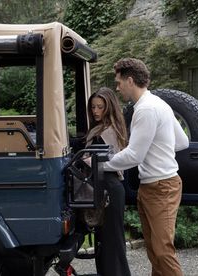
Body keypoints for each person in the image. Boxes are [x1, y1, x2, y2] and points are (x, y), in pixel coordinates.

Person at [104, 58, 189, 276]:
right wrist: (158, 146)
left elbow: (134, 155)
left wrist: (101, 165)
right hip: (155, 186)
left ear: (130, 80)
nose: (118, 87)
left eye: (119, 82)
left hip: (161, 187)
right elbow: (182, 142)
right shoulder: (160, 104)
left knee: (162, 252)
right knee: (154, 250)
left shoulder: (146, 109)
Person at [86, 87, 131, 276]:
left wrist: (87, 160)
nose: (96, 111)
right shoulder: (102, 128)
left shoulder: (110, 131)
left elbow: (114, 162)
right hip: (104, 187)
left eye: (100, 107)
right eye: (93, 107)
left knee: (112, 241)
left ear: (109, 107)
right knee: (103, 241)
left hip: (110, 188)